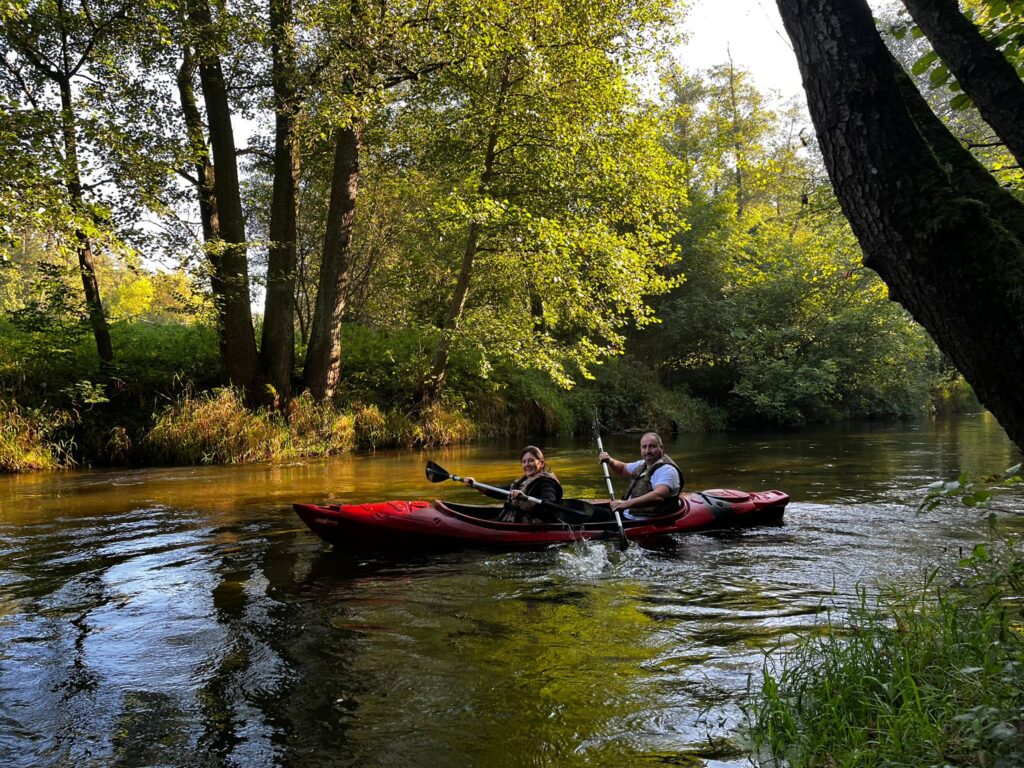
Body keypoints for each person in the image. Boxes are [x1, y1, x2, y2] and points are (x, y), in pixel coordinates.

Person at [464, 446, 563, 523]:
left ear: (541, 463)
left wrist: (524, 497)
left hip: (533, 527)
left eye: (531, 460)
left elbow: (551, 504)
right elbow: (499, 492)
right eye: (524, 462)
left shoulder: (546, 482)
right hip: (511, 521)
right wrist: (476, 484)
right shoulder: (523, 481)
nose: (527, 465)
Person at [598, 432, 683, 517]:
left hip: (641, 521)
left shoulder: (668, 470)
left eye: (652, 446)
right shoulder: (644, 463)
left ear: (661, 447)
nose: (648, 451)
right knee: (588, 511)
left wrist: (626, 503)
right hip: (625, 514)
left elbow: (658, 495)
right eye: (644, 447)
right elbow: (622, 469)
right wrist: (610, 461)